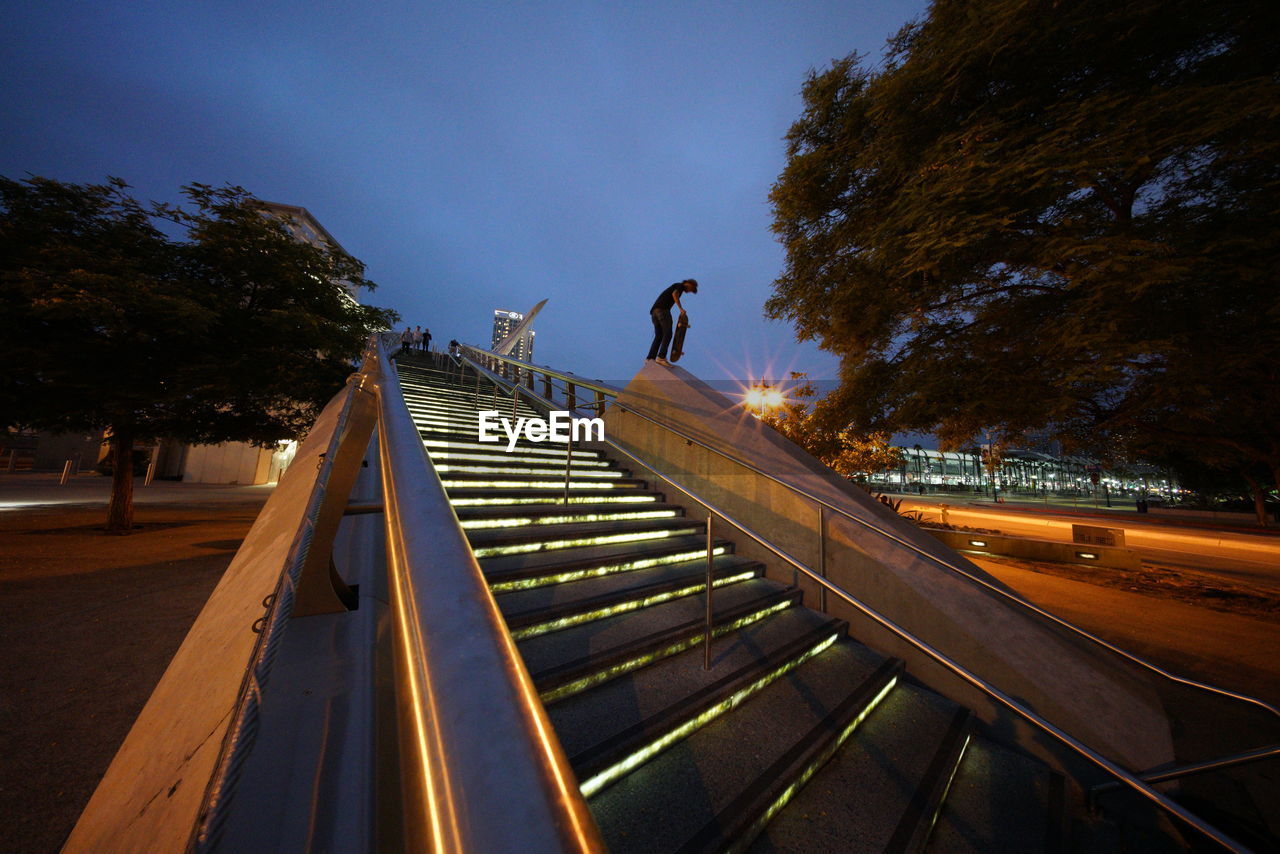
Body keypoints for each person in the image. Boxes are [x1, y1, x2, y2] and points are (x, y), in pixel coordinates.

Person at [646, 279, 698, 366]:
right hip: (663, 311)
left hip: (654, 312)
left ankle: (650, 358)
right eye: (691, 289)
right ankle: (661, 357)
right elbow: (674, 294)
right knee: (668, 333)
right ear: (688, 283)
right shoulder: (680, 286)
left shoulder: (676, 286)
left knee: (659, 336)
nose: (689, 292)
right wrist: (681, 309)